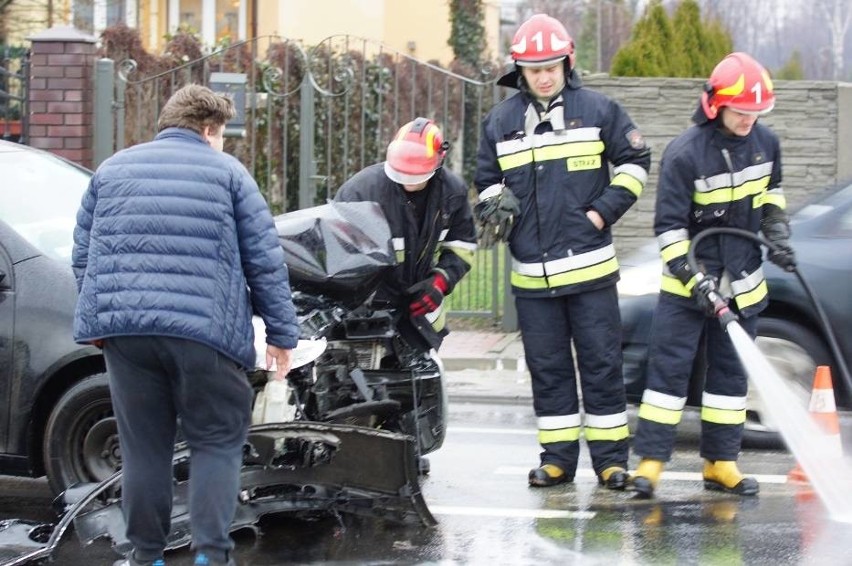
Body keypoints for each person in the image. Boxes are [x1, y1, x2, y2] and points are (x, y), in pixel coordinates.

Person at [72, 84, 300, 566]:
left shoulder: (111, 171)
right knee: (215, 442)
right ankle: (210, 556)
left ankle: (146, 556)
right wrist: (281, 335)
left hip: (127, 335)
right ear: (208, 128)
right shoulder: (228, 174)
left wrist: (104, 316)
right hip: (205, 334)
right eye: (223, 136)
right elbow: (264, 260)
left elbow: (83, 258)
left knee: (145, 448)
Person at [474, 14, 651, 490]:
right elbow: (486, 180)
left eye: (552, 66)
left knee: (601, 367)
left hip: (591, 273)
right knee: (548, 371)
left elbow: (636, 162)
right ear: (520, 71)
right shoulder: (500, 122)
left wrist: (601, 213)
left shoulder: (598, 110)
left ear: (567, 63)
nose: (545, 75)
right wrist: (495, 205)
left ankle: (611, 463)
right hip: (532, 279)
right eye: (535, 69)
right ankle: (557, 461)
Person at [630, 52, 795, 498]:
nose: (748, 120)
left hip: (742, 282)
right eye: (741, 112)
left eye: (755, 113)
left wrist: (777, 231)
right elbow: (668, 227)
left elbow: (772, 195)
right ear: (715, 105)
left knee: (729, 378)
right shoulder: (685, 153)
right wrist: (693, 279)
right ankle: (650, 464)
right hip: (688, 287)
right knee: (668, 375)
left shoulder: (767, 144)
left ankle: (722, 463)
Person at [334, 117, 477, 352]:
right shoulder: (361, 190)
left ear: (439, 160)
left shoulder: (453, 193)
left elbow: (462, 247)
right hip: (367, 314)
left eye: (417, 171)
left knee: (422, 383)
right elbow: (340, 250)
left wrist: (439, 283)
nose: (409, 177)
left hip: (420, 314)